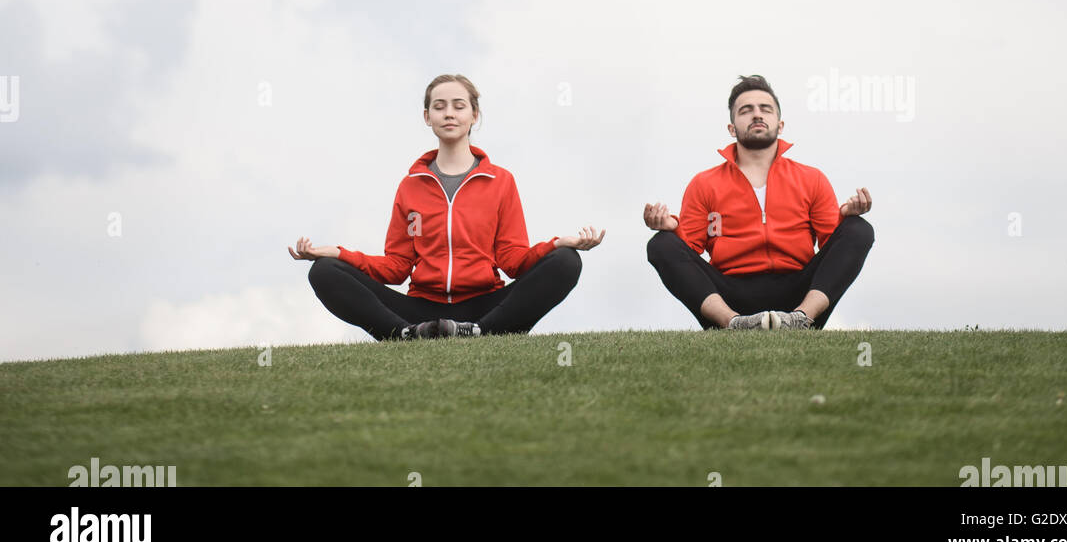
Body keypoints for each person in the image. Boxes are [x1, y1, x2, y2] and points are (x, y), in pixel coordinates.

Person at [291, 73, 604, 340]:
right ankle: (405, 335)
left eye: (459, 106)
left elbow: (512, 260)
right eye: (439, 107)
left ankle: (480, 332)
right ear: (427, 117)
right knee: (324, 271)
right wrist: (339, 254)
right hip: (421, 309)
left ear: (474, 115)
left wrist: (557, 244)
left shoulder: (501, 181)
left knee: (566, 262)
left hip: (484, 306)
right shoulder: (410, 186)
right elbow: (397, 266)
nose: (449, 114)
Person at [644, 73, 873, 330]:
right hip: (730, 294)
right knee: (660, 244)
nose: (757, 115)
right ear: (732, 129)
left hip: (798, 290)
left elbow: (834, 245)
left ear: (780, 124)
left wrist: (846, 216)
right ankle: (731, 324)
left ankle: (801, 320)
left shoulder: (812, 178)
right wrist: (670, 227)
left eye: (765, 109)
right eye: (746, 110)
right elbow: (689, 247)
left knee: (859, 228)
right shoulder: (704, 183)